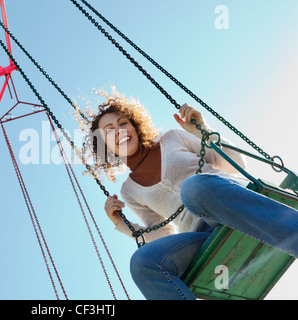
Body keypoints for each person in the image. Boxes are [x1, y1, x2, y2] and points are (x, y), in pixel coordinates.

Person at [79, 87, 298, 300]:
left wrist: (201, 130)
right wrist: (123, 225)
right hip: (201, 236)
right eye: (109, 130)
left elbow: (236, 164)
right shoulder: (129, 191)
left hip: (233, 204)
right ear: (104, 144)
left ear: (134, 126)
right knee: (141, 262)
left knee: (193, 189)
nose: (119, 130)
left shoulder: (174, 138)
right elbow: (163, 234)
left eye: (123, 122)